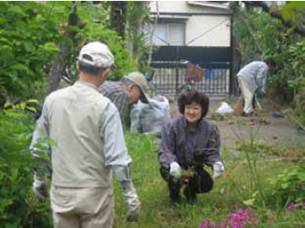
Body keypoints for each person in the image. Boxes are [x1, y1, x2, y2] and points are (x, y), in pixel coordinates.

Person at [30, 41, 140, 228]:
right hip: (95, 193)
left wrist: (39, 180)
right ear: (105, 72)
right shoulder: (105, 107)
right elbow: (117, 157)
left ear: (77, 66)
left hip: (62, 189)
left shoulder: (52, 101)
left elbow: (39, 147)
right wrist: (130, 196)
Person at [159, 91, 224, 205]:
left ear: (202, 110)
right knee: (173, 175)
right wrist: (172, 163)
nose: (191, 112)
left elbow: (212, 152)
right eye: (188, 108)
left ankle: (190, 192)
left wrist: (216, 163)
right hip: (175, 165)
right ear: (183, 108)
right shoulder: (171, 126)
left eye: (195, 108)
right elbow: (166, 150)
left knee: (206, 183)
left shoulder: (210, 129)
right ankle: (174, 196)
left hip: (194, 168)